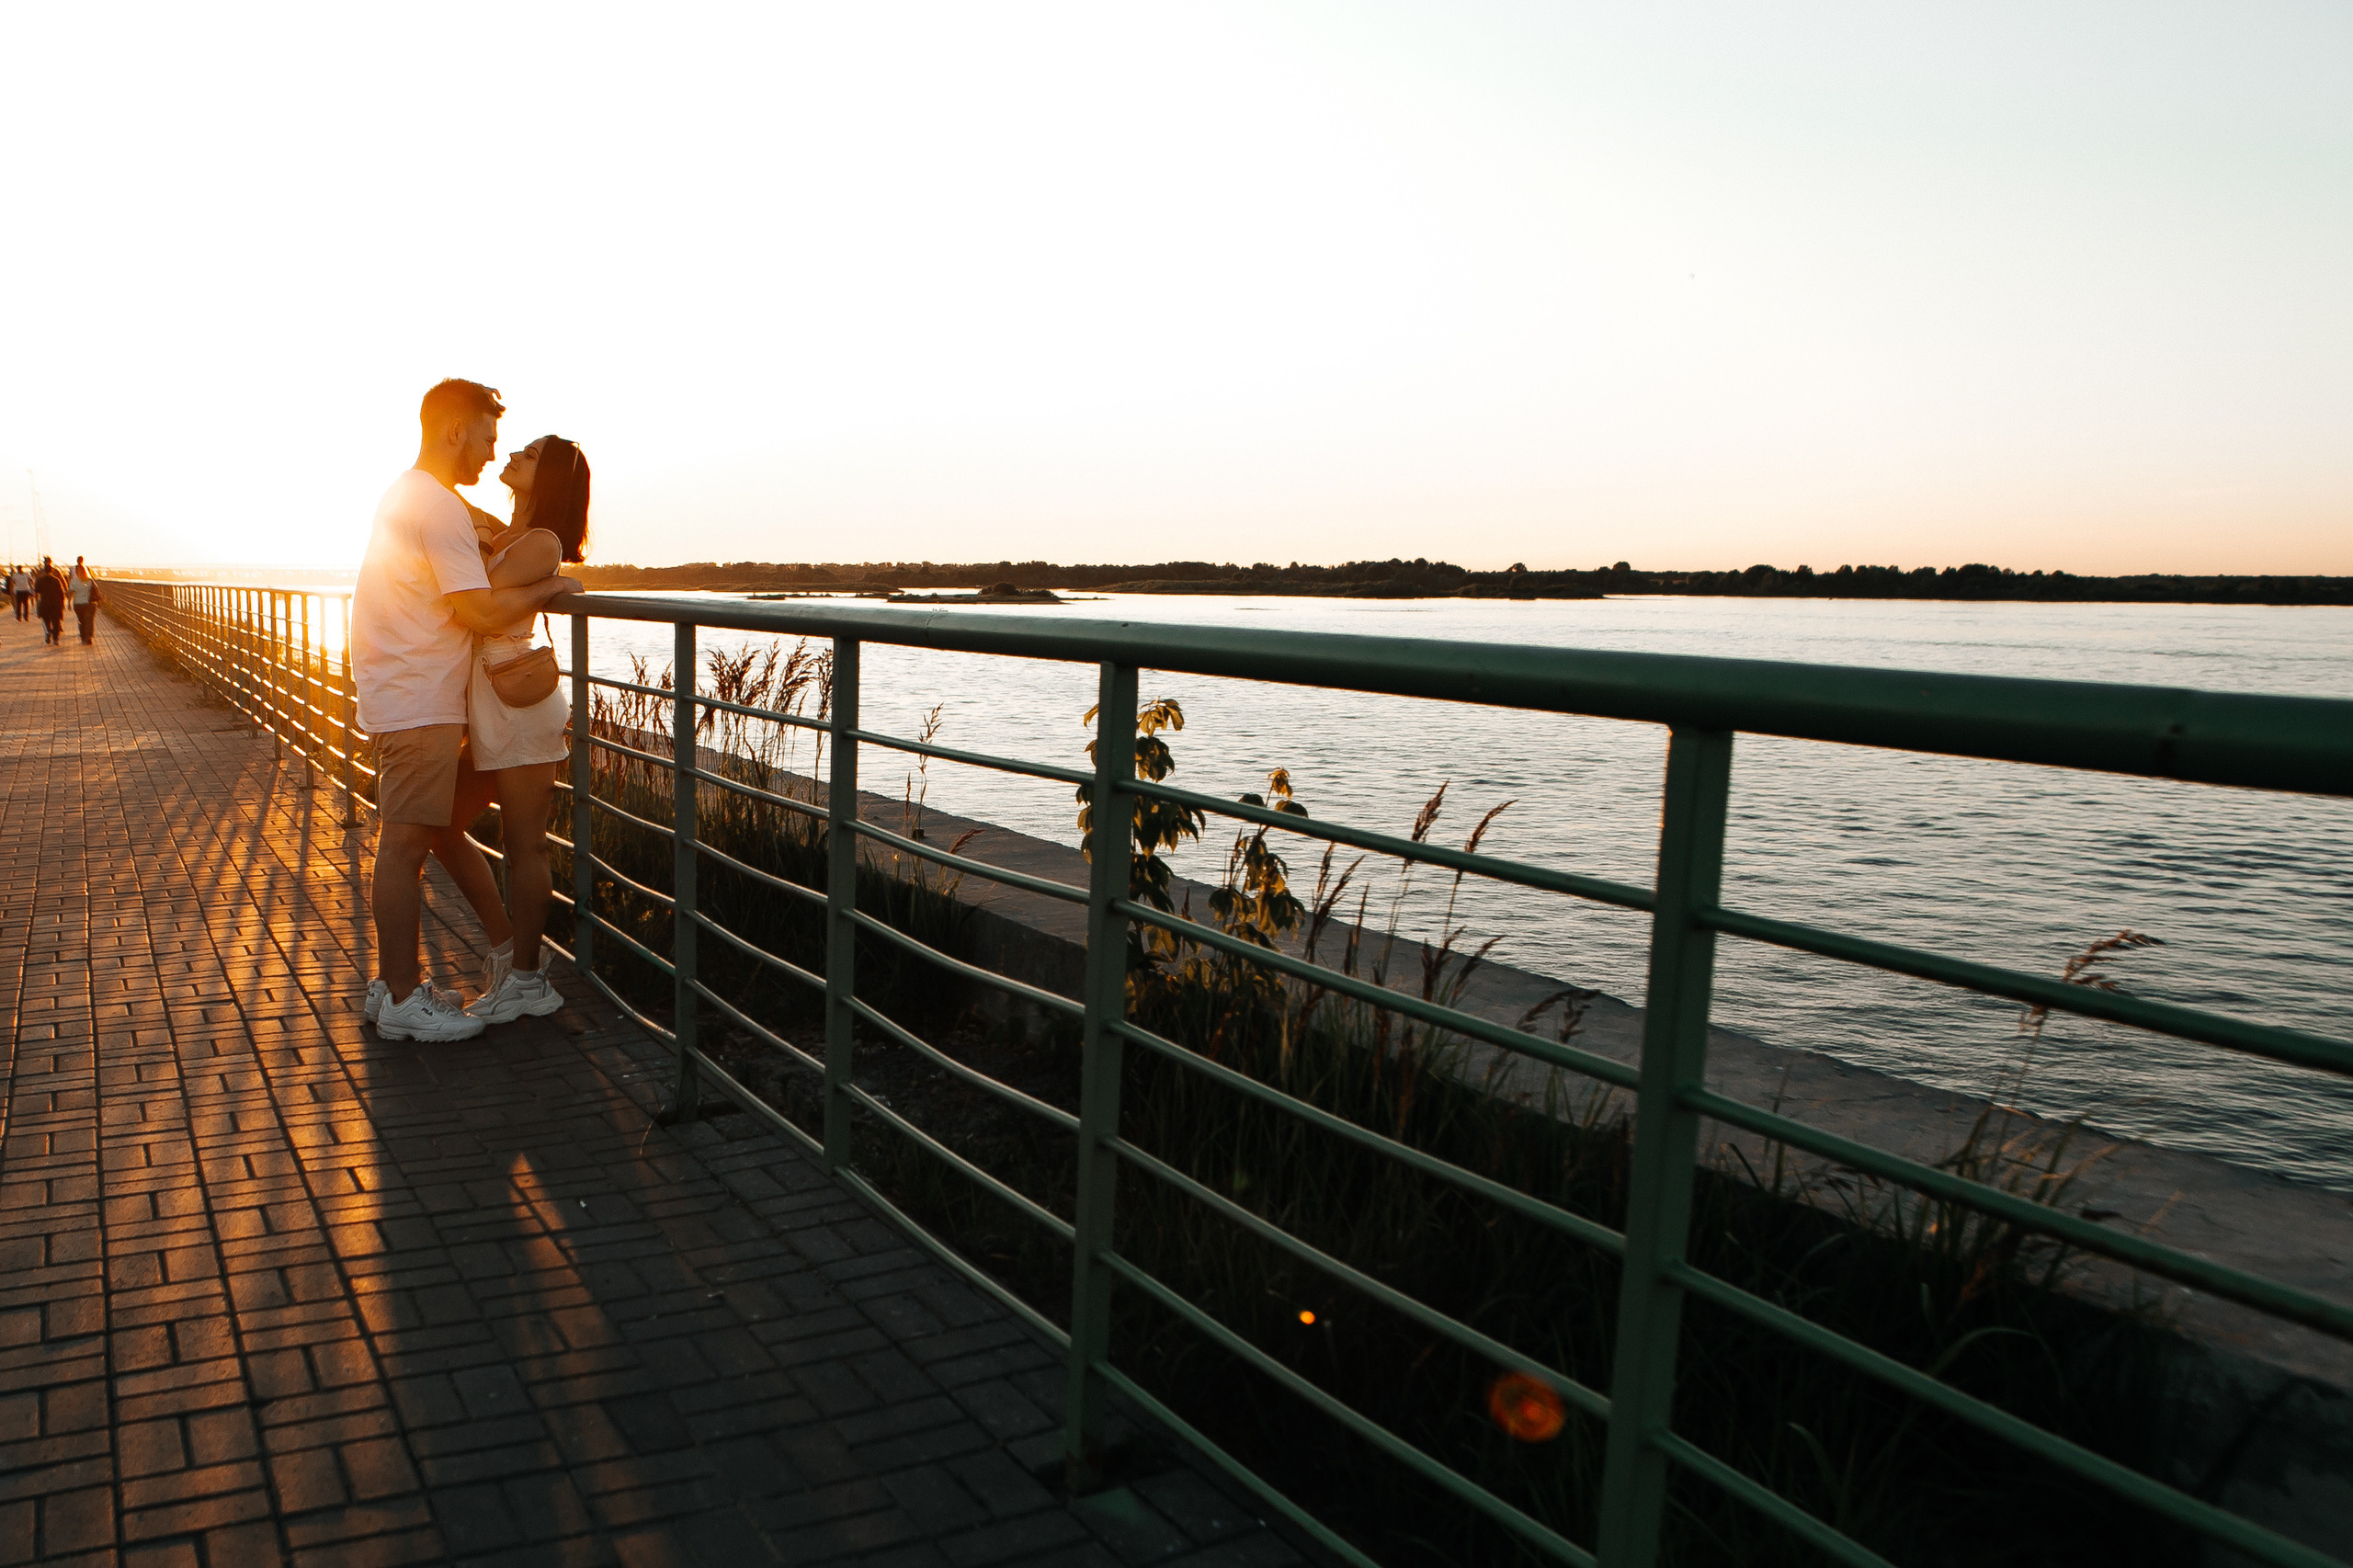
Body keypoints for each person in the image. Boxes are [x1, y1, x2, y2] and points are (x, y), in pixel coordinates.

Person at [350, 380, 579, 1042]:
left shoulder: (422, 498)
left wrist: (529, 559)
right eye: (487, 437)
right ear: (455, 432)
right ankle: (400, 994)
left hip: (434, 694)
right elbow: (475, 607)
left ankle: (440, 977)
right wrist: (550, 585)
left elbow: (498, 565)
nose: (491, 452)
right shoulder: (442, 508)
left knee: (422, 837)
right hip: (421, 693)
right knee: (406, 845)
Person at [449, 434, 592, 1024]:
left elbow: (474, 602)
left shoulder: (541, 542)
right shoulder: (505, 536)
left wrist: (542, 580)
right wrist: (548, 590)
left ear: (551, 478)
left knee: (524, 844)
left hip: (516, 702)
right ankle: (510, 947)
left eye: (528, 455)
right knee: (440, 825)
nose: (511, 456)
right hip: (481, 699)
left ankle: (529, 980)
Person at [68, 557, 103, 644]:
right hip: (90, 604)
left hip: (78, 604)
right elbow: (96, 591)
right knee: (89, 621)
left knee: (82, 621)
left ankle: (83, 637)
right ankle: (89, 637)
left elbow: (70, 592)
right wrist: (99, 602)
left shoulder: (74, 581)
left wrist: (68, 603)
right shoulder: (90, 581)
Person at [32, 557, 66, 644]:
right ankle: (56, 639)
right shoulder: (56, 580)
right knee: (56, 621)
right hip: (56, 603)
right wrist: (63, 604)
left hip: (44, 602)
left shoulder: (40, 580)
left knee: (46, 620)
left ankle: (48, 632)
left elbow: (36, 592)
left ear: (44, 571)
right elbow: (61, 593)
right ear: (52, 571)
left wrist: (37, 603)